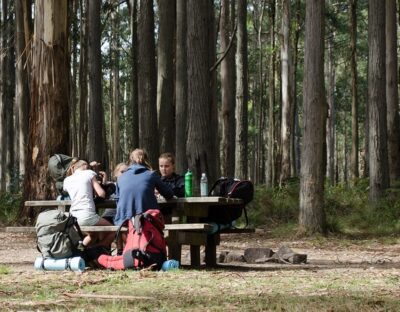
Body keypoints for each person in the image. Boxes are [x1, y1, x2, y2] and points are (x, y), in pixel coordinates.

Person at [114, 148, 174, 226]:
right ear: (146, 160)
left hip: (123, 219)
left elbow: (117, 199)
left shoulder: (121, 177)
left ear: (131, 160)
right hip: (147, 218)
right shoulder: (151, 174)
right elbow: (168, 194)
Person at [63, 159, 114, 248]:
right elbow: (101, 193)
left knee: (93, 235)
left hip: (73, 217)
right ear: (85, 166)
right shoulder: (88, 173)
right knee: (113, 230)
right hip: (87, 214)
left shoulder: (67, 180)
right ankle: (97, 251)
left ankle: (81, 250)